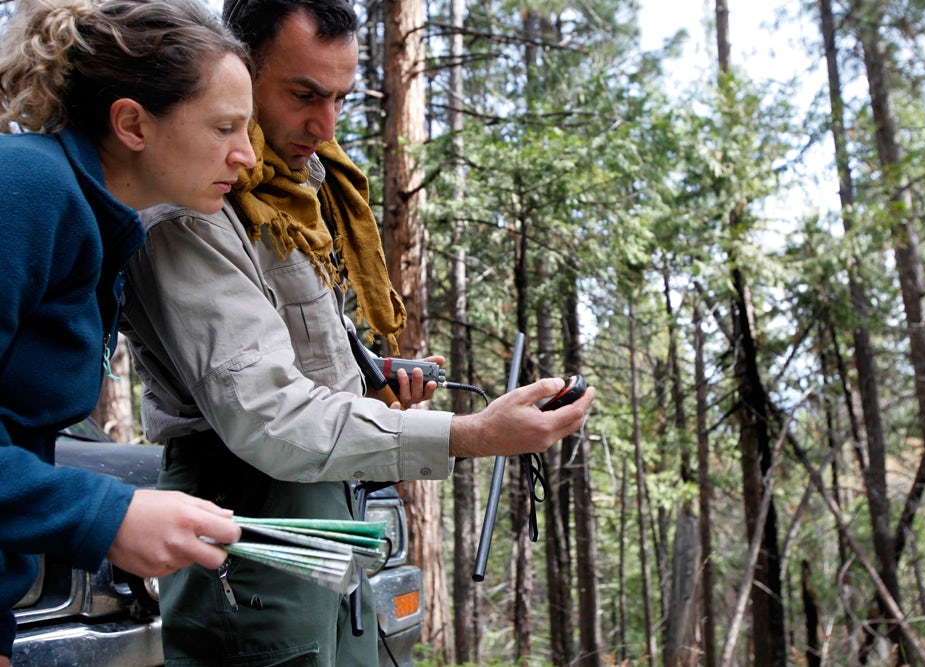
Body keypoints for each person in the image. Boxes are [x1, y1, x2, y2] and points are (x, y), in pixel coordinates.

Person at [119, 0, 596, 664]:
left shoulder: (288, 195)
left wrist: (367, 376)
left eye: (341, 97)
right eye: (304, 94)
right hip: (249, 533)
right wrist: (471, 434)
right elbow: (267, 415)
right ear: (235, 70)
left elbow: (291, 360)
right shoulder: (187, 215)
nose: (326, 124)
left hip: (324, 518)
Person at [0, 0, 257, 662]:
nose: (248, 155)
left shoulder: (97, 221)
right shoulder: (23, 189)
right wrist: (105, 514)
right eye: (225, 126)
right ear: (132, 123)